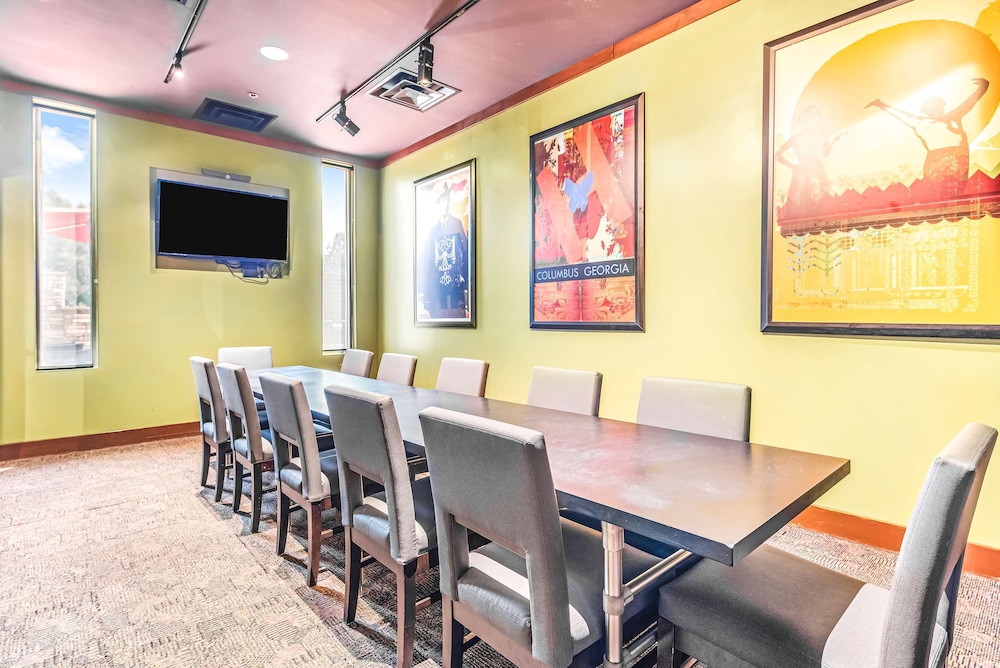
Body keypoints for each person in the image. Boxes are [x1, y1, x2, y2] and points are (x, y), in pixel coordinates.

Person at [867, 78, 989, 198]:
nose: (939, 111)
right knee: (940, 192)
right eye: (935, 108)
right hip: (938, 160)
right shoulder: (921, 123)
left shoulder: (952, 116)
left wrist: (982, 87)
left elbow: (970, 103)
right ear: (928, 111)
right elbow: (900, 114)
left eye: (939, 107)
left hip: (957, 157)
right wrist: (880, 104)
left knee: (955, 191)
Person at [776, 105, 843, 216]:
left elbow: (826, 153)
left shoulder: (822, 134)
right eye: (812, 114)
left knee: (822, 202)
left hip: (818, 170)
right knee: (799, 204)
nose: (814, 117)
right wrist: (791, 166)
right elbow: (777, 155)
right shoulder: (795, 138)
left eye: (817, 114)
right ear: (804, 117)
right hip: (801, 172)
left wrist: (834, 141)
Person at [420, 184, 468, 318]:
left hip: (455, 285)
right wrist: (428, 292)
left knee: (455, 314)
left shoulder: (456, 224)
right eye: (443, 201)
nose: (446, 204)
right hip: (438, 288)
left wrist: (465, 281)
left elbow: (465, 252)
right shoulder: (433, 231)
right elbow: (429, 263)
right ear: (439, 204)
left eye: (447, 201)